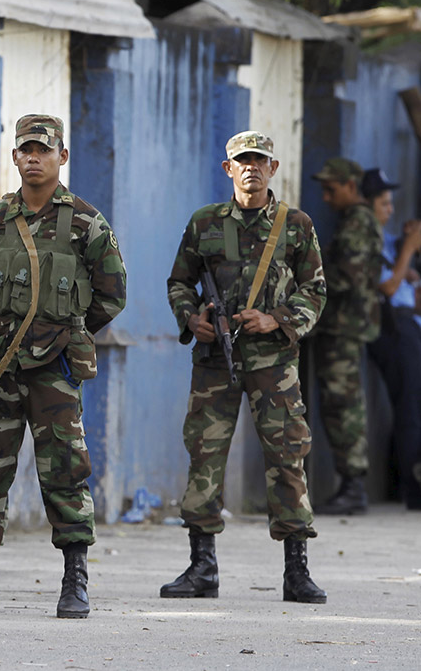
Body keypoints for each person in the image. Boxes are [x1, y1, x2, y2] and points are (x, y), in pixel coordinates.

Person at [0, 114, 126, 619]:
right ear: (16, 157)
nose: (34, 157)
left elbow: (112, 294)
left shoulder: (86, 223)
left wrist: (67, 333)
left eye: (44, 149)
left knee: (65, 470)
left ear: (62, 156)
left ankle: (75, 581)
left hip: (55, 371)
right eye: (26, 150)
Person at [163, 130, 326, 605]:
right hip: (215, 360)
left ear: (273, 168)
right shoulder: (204, 224)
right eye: (242, 160)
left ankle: (297, 570)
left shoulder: (295, 225)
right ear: (227, 169)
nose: (252, 168)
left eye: (260, 160)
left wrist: (275, 317)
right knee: (204, 456)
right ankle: (202, 567)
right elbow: (178, 282)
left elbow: (315, 291)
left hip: (274, 362)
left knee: (287, 457)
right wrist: (192, 319)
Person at [310, 157, 383, 515]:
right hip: (342, 326)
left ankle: (353, 484)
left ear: (351, 187)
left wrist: (307, 285)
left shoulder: (357, 221)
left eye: (331, 189)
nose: (326, 197)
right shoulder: (355, 220)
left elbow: (348, 276)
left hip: (343, 326)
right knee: (340, 402)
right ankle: (351, 484)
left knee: (343, 405)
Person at [362, 168, 421, 510]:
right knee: (409, 410)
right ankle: (412, 491)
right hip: (392, 331)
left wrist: (405, 249)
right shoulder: (366, 242)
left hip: (407, 327)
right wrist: (409, 249)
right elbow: (387, 286)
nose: (390, 210)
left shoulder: (385, 241)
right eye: (384, 204)